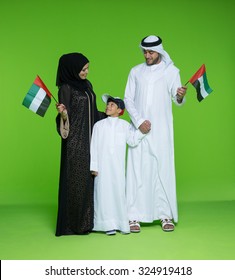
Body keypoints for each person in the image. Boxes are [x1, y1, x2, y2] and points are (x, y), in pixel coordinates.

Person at [124, 35, 187, 232]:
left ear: (159, 51)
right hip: (140, 129)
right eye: (144, 51)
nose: (147, 55)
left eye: (150, 52)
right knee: (137, 170)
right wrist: (139, 121)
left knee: (162, 170)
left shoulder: (171, 72)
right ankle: (133, 216)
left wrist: (179, 96)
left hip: (161, 130)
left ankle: (164, 214)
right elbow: (128, 99)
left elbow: (177, 100)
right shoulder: (136, 72)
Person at [55, 52, 106, 236]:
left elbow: (91, 111)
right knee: (76, 182)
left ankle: (89, 221)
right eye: (83, 69)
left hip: (91, 139)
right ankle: (74, 225)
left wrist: (108, 115)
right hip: (76, 142)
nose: (86, 72)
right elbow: (66, 117)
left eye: (87, 68)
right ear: (72, 69)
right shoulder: (66, 88)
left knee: (89, 179)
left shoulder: (87, 85)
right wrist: (63, 113)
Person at [90, 94, 146, 235]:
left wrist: (142, 131)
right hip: (102, 168)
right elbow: (94, 146)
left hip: (117, 168)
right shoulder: (99, 126)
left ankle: (120, 223)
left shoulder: (125, 126)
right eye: (108, 104)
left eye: (112, 105)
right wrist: (94, 166)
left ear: (120, 110)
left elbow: (132, 141)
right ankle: (105, 224)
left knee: (118, 193)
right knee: (103, 194)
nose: (108, 107)